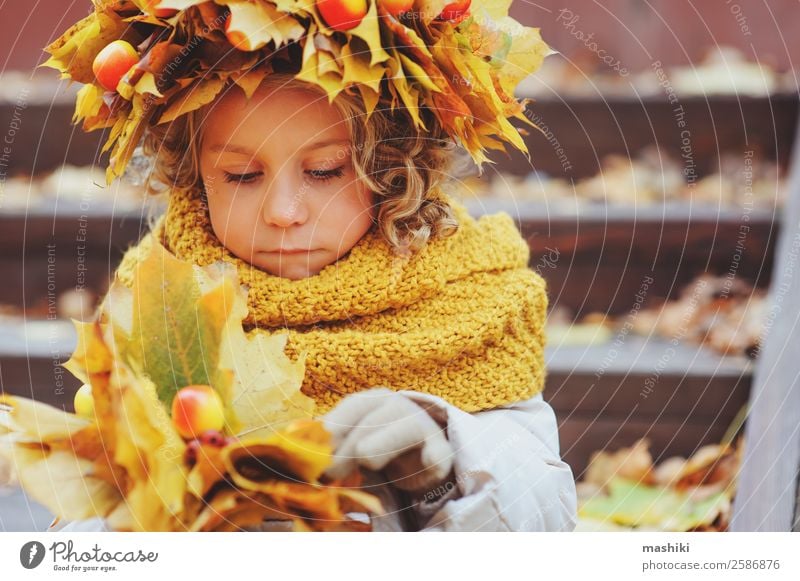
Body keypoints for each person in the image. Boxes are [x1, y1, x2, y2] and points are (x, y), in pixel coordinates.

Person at [44, 0, 576, 532]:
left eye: (325, 171)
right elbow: (83, 532)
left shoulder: (474, 301)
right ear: (191, 173)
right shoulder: (158, 303)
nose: (282, 213)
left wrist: (441, 472)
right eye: (242, 175)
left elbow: (541, 512)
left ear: (394, 165)